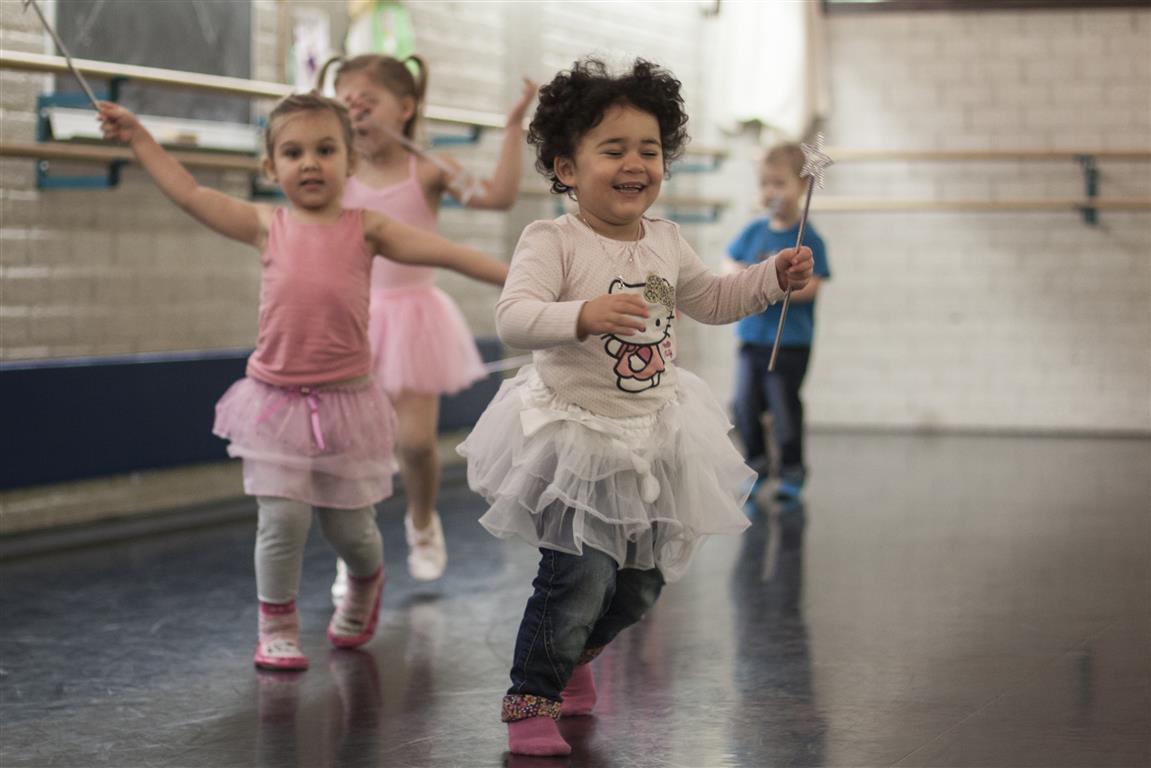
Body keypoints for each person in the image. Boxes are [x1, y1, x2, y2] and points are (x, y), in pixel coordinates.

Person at [456, 58, 813, 756]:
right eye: (612, 149)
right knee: (577, 575)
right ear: (565, 166)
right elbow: (514, 318)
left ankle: (577, 657)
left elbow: (712, 301)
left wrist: (770, 277)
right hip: (574, 433)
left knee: (642, 583)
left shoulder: (664, 241)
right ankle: (531, 695)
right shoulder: (551, 240)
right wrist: (581, 314)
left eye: (648, 150)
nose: (634, 164)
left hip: (654, 431)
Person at [97, 92, 507, 672]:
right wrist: (139, 137)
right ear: (270, 168)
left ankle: (366, 580)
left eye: (324, 150)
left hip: (345, 403)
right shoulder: (267, 225)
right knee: (282, 519)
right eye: (293, 152)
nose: (309, 163)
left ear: (350, 163)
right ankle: (277, 626)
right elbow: (190, 193)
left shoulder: (368, 229)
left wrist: (528, 281)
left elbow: (453, 254)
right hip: (275, 402)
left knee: (352, 530)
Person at [314, 54, 536, 587]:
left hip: (415, 319)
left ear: (406, 108)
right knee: (351, 450)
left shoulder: (428, 168)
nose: (357, 111)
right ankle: (355, 552)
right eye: (347, 102)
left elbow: (498, 197)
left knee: (414, 443)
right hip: (353, 322)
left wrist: (512, 130)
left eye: (368, 102)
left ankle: (421, 521)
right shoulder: (335, 171)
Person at [727, 143, 831, 501]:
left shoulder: (807, 237)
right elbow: (730, 268)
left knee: (784, 410)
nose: (771, 191)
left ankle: (791, 470)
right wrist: (760, 281)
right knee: (743, 405)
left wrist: (769, 284)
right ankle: (757, 464)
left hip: (789, 344)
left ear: (802, 186)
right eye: (765, 183)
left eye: (779, 183)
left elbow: (811, 287)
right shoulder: (754, 232)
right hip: (752, 339)